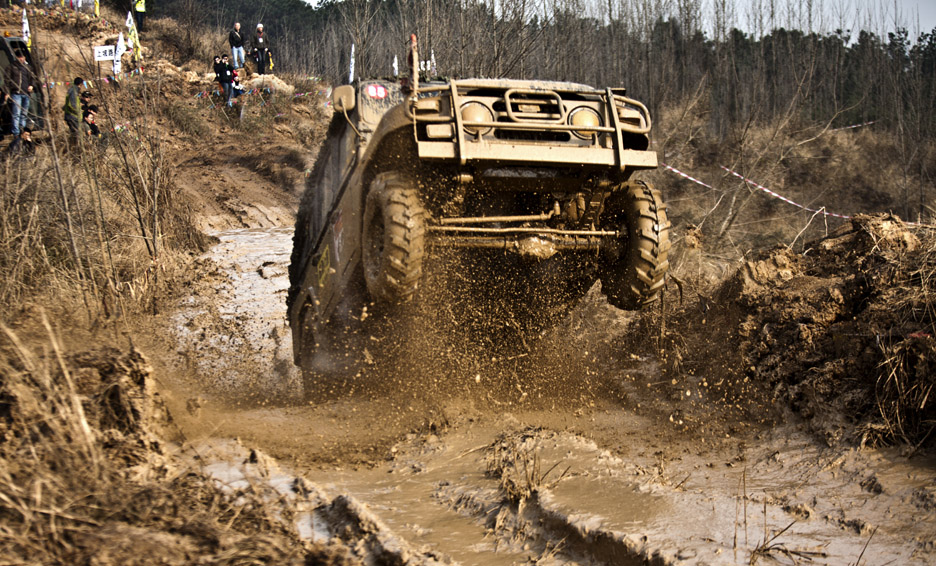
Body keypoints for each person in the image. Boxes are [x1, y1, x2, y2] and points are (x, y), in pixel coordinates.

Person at [5, 51, 36, 150]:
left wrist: (32, 85)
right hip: (16, 93)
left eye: (23, 57)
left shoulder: (28, 68)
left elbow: (32, 78)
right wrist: (7, 92)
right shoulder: (11, 67)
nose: (22, 59)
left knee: (24, 114)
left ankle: (23, 132)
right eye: (20, 57)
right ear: (16, 58)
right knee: (16, 114)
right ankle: (16, 133)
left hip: (26, 94)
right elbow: (6, 80)